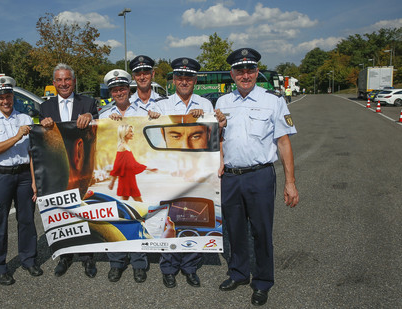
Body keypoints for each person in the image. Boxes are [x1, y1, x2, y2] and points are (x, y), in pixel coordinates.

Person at [215, 48, 299, 306]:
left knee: (262, 231)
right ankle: (239, 273)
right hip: (230, 177)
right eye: (240, 71)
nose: (245, 75)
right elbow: (219, 139)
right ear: (232, 74)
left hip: (260, 176)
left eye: (250, 70)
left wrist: (290, 182)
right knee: (235, 230)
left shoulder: (273, 101)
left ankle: (262, 281)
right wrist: (219, 160)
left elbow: (283, 143)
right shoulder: (222, 103)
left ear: (257, 72)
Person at [149, 57, 226, 289]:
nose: (184, 81)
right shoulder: (161, 106)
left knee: (195, 217)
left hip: (198, 172)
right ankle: (169, 267)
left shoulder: (206, 104)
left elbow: (215, 137)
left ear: (195, 81)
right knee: (169, 219)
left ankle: (191, 266)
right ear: (173, 80)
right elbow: (150, 132)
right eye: (180, 77)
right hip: (171, 171)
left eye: (189, 78)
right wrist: (151, 118)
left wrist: (215, 122)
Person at [0, 75, 43, 286]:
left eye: (8, 96)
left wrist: (34, 180)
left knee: (26, 221)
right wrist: (16, 137)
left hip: (24, 175)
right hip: (1, 176)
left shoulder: (24, 119)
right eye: (0, 98)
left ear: (12, 96)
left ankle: (28, 259)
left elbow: (32, 152)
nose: (5, 101)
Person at [39, 63, 99, 278]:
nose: (63, 84)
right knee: (62, 211)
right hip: (58, 167)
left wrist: (91, 117)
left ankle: (87, 257)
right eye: (59, 80)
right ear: (54, 83)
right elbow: (41, 141)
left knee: (85, 209)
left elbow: (99, 128)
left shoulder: (88, 103)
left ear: (73, 81)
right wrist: (43, 124)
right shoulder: (45, 108)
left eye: (67, 79)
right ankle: (65, 255)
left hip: (82, 165)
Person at [100, 69, 152, 283]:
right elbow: (100, 148)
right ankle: (117, 262)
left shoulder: (145, 111)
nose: (119, 92)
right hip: (117, 176)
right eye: (114, 89)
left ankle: (139, 263)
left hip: (137, 175)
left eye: (122, 88)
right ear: (110, 92)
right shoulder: (103, 115)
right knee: (116, 216)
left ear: (129, 89)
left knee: (137, 217)